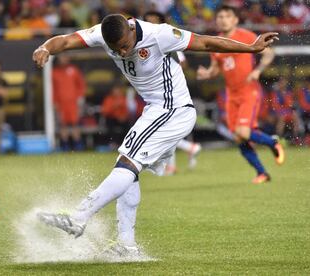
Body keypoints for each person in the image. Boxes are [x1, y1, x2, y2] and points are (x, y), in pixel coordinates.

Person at [32, 13, 278, 256]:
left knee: (127, 163)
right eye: (115, 50)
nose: (121, 53)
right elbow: (64, 41)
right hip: (157, 110)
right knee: (129, 170)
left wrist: (250, 48)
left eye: (125, 46)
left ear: (130, 30)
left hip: (173, 110)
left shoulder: (159, 35)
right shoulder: (103, 33)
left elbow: (205, 42)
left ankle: (79, 217)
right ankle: (126, 247)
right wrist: (45, 47)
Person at [196, 5, 284, 184]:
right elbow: (215, 70)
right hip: (231, 95)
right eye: (220, 16)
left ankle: (272, 142)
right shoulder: (215, 43)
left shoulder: (246, 36)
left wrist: (258, 70)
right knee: (238, 137)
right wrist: (207, 73)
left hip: (248, 90)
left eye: (227, 16)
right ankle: (262, 173)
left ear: (235, 20)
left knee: (243, 132)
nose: (222, 19)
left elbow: (269, 53)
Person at [143, 11, 201, 175]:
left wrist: (168, 72)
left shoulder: (167, 38)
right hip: (155, 92)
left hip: (170, 92)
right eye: (148, 22)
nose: (151, 25)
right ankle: (179, 158)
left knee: (165, 129)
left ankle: (185, 151)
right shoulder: (145, 41)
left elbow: (183, 63)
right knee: (165, 129)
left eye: (154, 22)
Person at [52, 54, 86, 151]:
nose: (64, 58)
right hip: (61, 103)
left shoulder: (74, 70)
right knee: (63, 124)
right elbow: (53, 89)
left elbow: (81, 85)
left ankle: (78, 145)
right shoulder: (54, 72)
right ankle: (65, 146)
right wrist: (54, 102)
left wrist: (80, 98)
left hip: (73, 103)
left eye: (65, 56)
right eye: (62, 57)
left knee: (75, 124)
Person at [101, 84, 130, 149]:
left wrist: (123, 116)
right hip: (111, 118)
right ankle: (113, 143)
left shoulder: (123, 98)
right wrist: (114, 106)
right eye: (115, 90)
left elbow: (126, 110)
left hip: (121, 119)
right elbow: (105, 112)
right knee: (110, 125)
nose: (116, 92)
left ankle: (126, 143)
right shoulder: (108, 99)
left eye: (118, 90)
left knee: (128, 126)